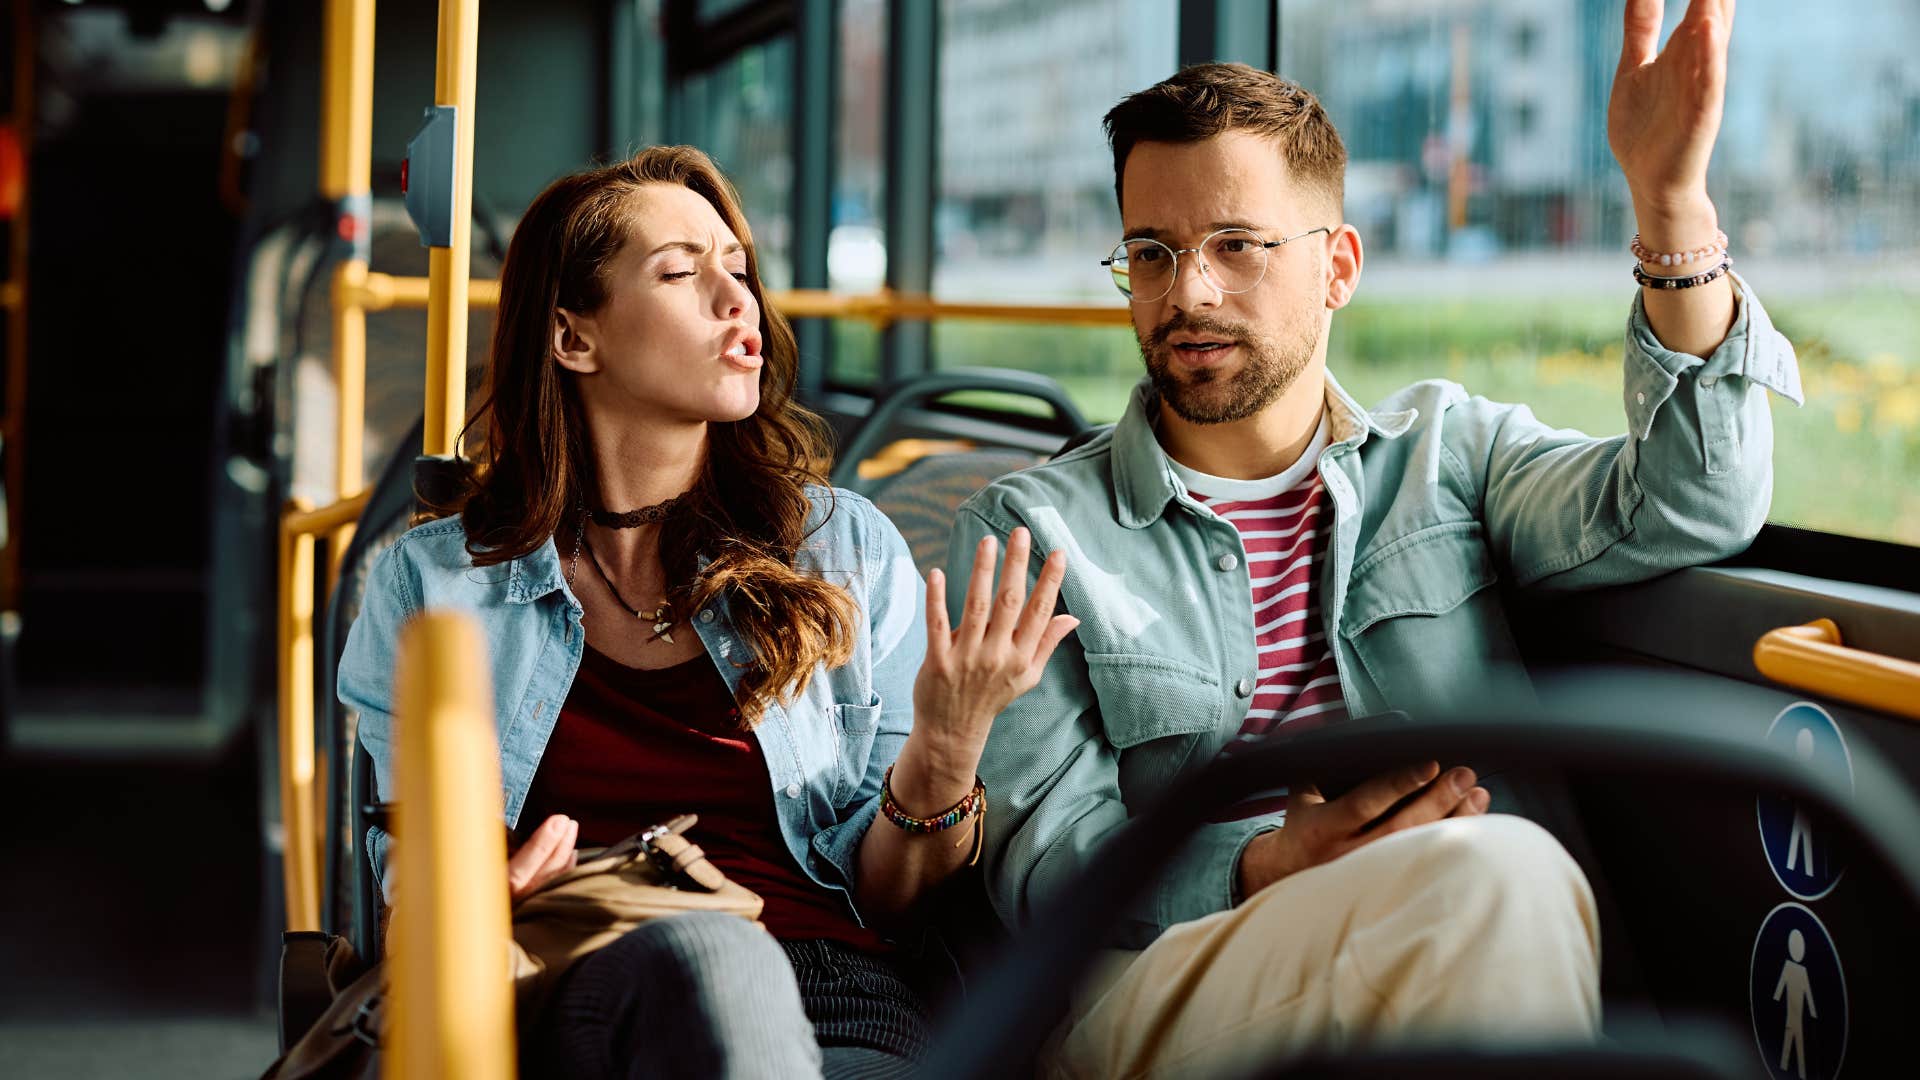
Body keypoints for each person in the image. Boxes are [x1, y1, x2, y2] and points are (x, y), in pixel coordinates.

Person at [954, 1, 1802, 1075]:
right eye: (1153, 253)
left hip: (1452, 923)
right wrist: (1264, 863)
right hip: (1160, 981)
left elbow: (1695, 501)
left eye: (1236, 246)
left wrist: (1671, 205)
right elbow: (1047, 869)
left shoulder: (1449, 453)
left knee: (1488, 888)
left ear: (1338, 267)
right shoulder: (1033, 529)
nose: (1188, 292)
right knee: (1501, 879)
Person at [338, 145, 1078, 1079]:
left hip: (833, 996)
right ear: (574, 338)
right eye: (683, 273)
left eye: (739, 268)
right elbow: (413, 900)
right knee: (710, 951)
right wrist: (474, 899)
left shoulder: (842, 551)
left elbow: (890, 901)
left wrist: (945, 748)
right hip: (564, 984)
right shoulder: (436, 586)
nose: (740, 303)